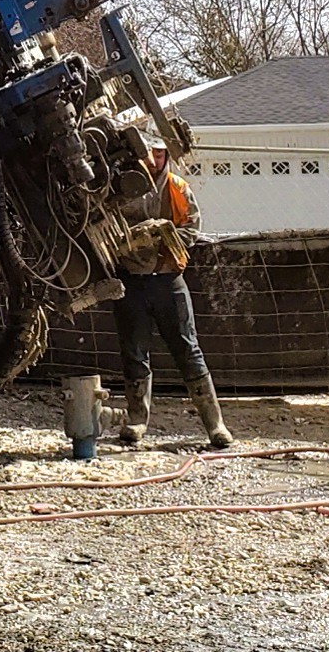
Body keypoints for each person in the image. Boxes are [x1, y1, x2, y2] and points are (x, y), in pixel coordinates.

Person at [110, 164, 232, 448]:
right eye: (149, 154)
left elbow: (191, 226)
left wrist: (162, 240)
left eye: (160, 154)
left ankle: (215, 424)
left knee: (187, 347)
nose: (154, 160)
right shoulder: (118, 186)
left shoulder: (176, 187)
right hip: (130, 279)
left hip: (167, 278)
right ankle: (137, 419)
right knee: (134, 350)